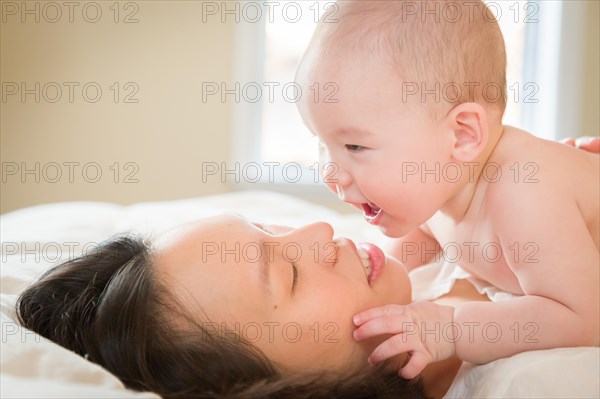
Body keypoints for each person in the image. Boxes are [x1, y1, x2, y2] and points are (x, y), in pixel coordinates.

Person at [295, 0, 599, 378]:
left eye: (354, 146)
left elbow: (582, 317)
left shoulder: (524, 194)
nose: (330, 173)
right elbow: (406, 260)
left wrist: (450, 330)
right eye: (321, 143)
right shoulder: (436, 191)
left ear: (463, 135)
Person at [17, 214, 491, 398]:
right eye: (290, 274)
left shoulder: (402, 283)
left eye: (270, 229)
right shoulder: (528, 376)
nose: (320, 232)